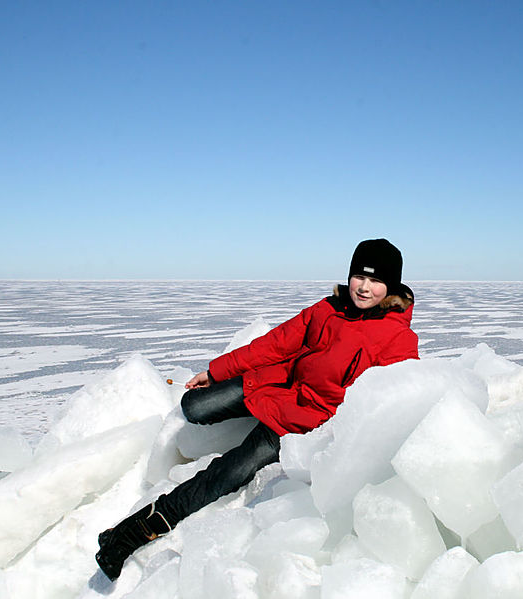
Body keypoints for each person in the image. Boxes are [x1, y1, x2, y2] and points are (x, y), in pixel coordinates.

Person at [95, 238, 418, 580]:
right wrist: (217, 371)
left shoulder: (398, 340)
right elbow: (277, 343)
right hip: (277, 385)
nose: (364, 288)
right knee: (195, 405)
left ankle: (129, 534)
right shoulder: (327, 309)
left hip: (302, 421)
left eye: (375, 281)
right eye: (359, 277)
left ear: (391, 286)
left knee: (227, 473)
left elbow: (390, 402)